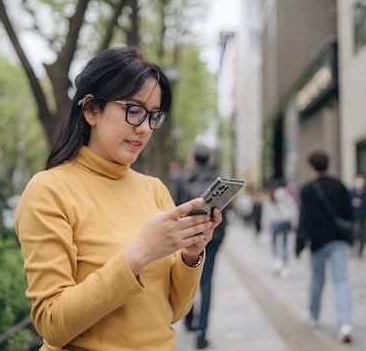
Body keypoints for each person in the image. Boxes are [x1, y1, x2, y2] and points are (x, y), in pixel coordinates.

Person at [15, 47, 223, 351]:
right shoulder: (49, 190)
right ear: (91, 109)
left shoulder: (154, 190)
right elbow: (52, 323)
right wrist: (140, 252)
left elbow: (173, 311)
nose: (144, 127)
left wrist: (192, 254)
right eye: (134, 110)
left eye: (153, 115)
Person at [295, 150, 354, 343]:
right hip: (339, 240)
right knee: (341, 280)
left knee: (316, 280)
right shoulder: (340, 187)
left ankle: (313, 315)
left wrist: (299, 245)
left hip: (318, 242)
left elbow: (303, 220)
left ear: (312, 167)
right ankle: (344, 324)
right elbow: (349, 215)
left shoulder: (307, 190)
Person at [177, 144, 221, 349]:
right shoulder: (217, 181)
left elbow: (175, 208)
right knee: (207, 283)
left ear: (193, 158)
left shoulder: (182, 179)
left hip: (187, 237)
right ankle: (202, 331)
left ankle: (187, 317)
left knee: (189, 274)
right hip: (211, 238)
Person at [264, 179, 299, 276]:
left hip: (274, 222)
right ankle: (285, 265)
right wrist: (295, 223)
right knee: (285, 244)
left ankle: (276, 262)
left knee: (274, 244)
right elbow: (294, 209)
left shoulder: (270, 196)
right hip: (285, 222)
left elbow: (266, 212)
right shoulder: (287, 196)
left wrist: (265, 225)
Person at [349, 172, 366, 257]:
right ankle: (353, 246)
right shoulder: (351, 192)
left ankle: (361, 250)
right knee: (354, 231)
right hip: (354, 215)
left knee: (363, 233)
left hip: (363, 215)